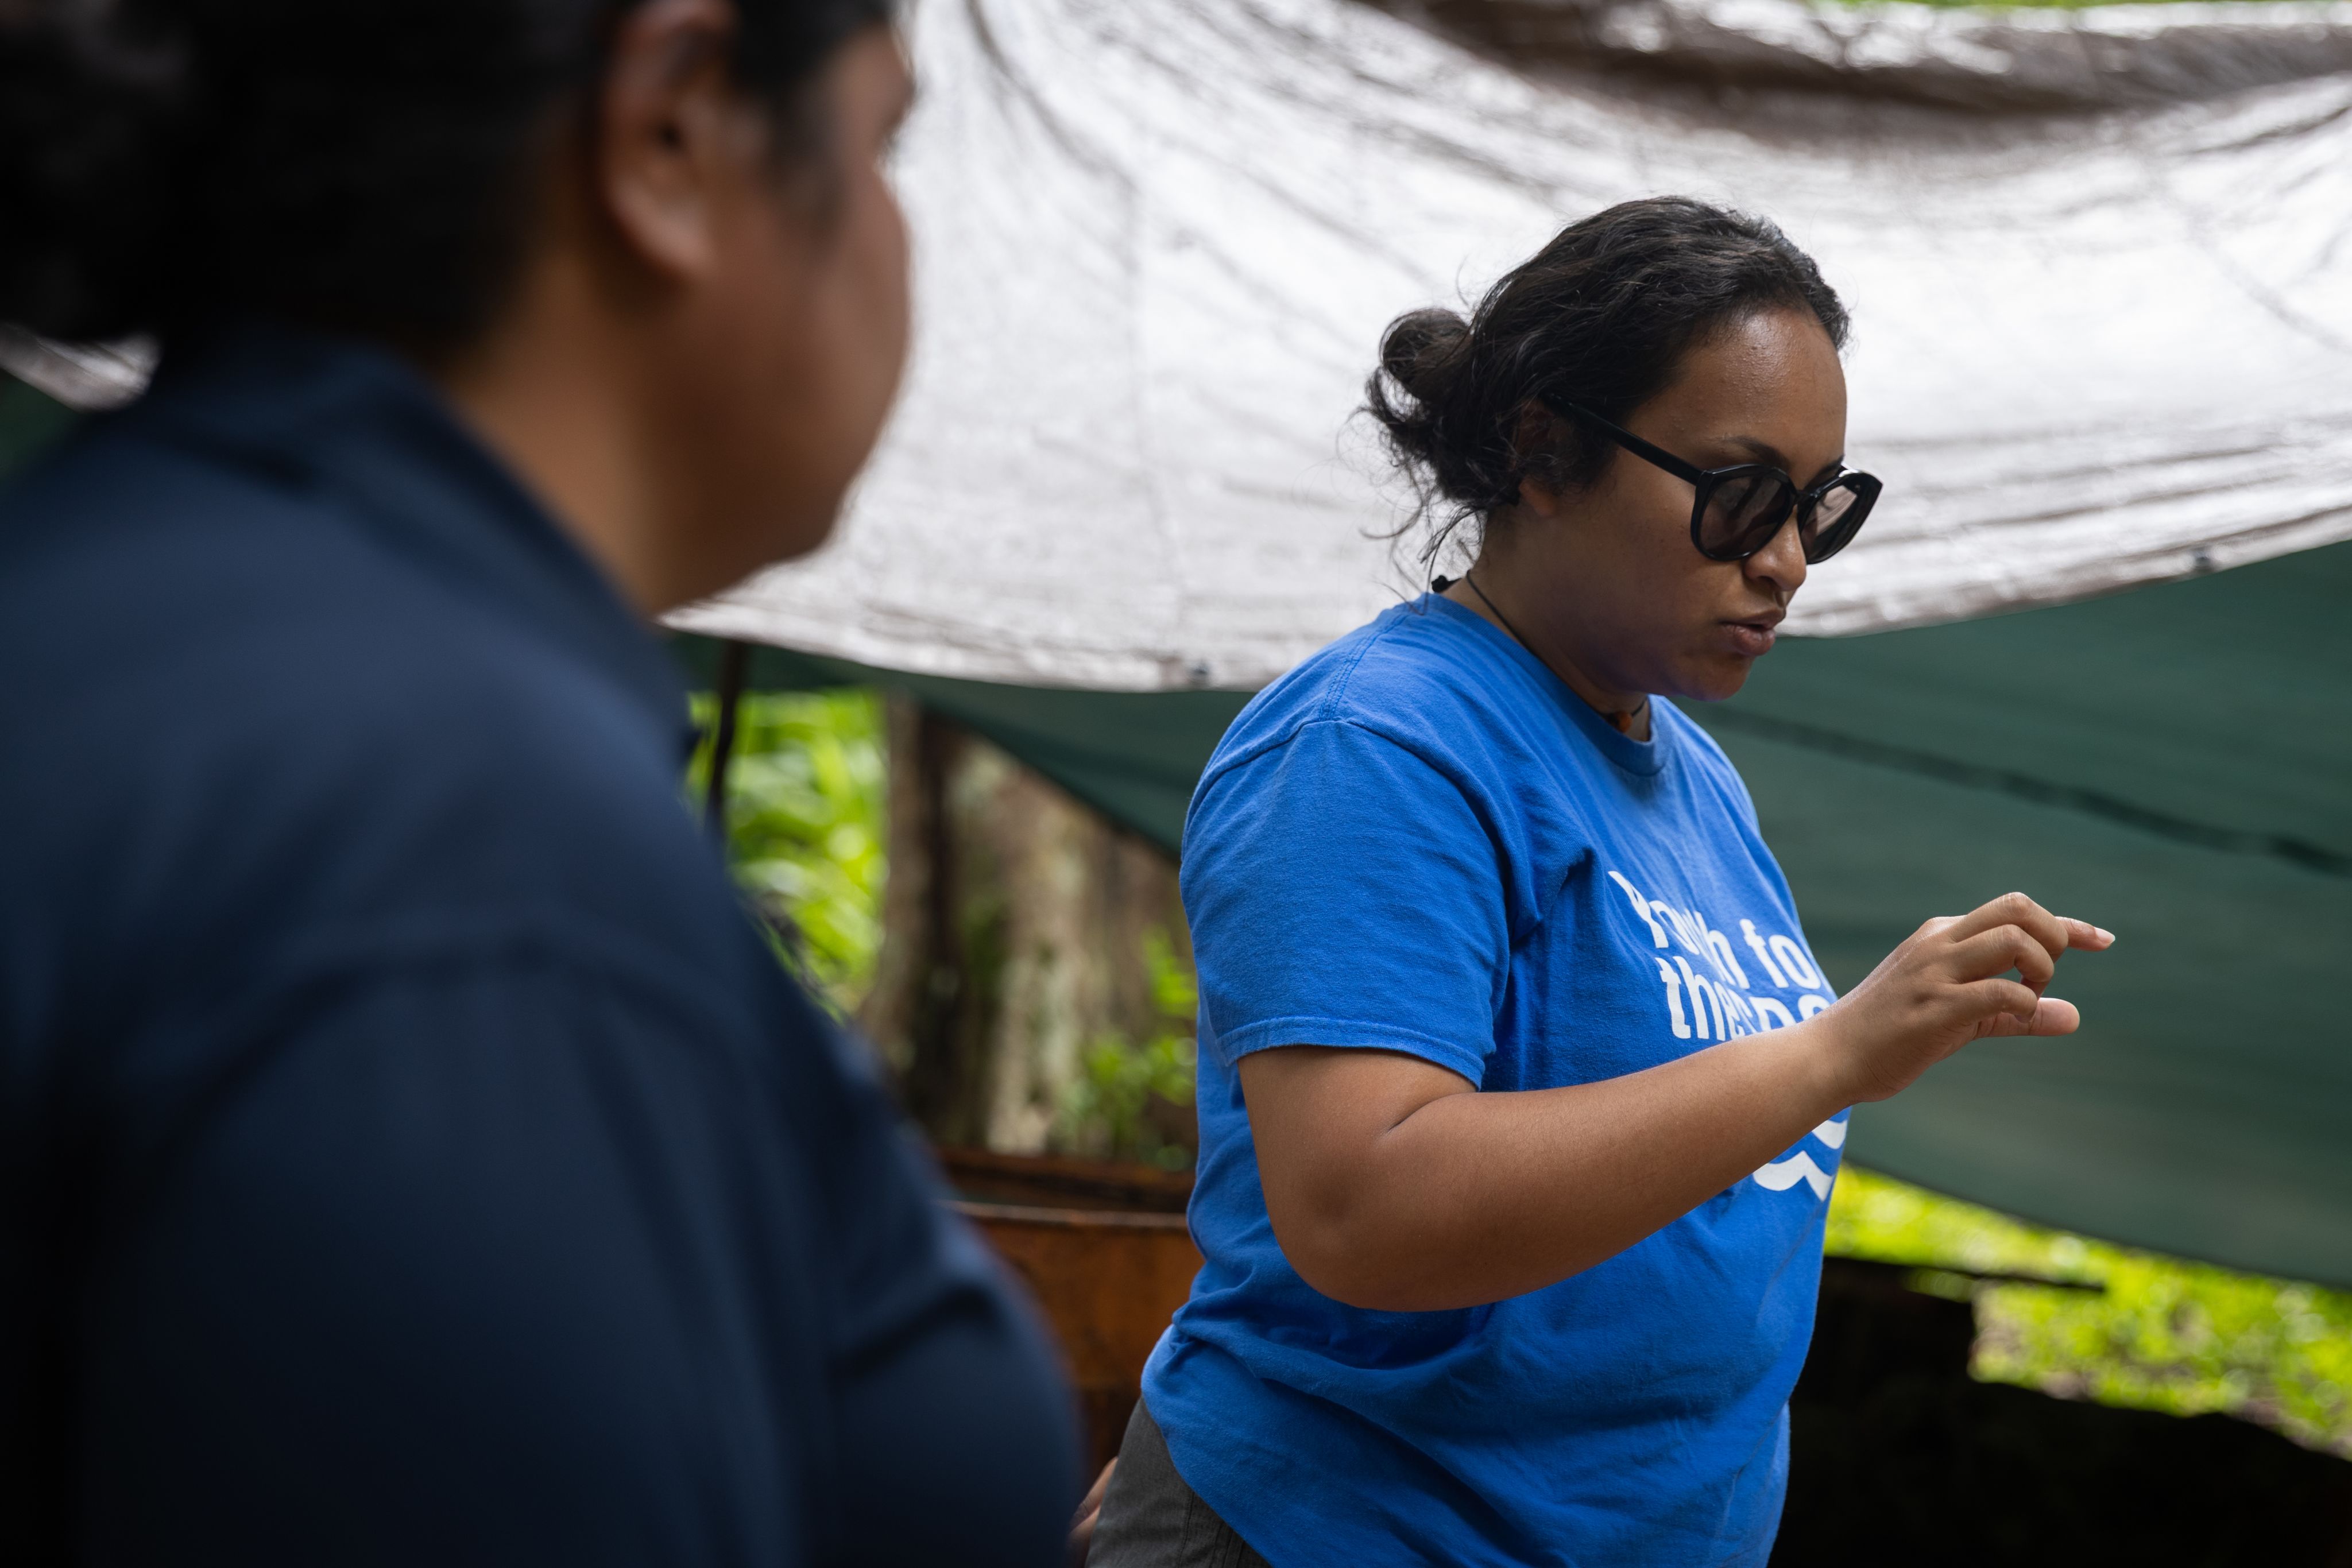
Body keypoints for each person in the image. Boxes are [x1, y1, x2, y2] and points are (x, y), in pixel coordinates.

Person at [0, 3, 1082, 1564]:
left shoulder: (131, 601)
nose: (905, 246)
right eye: (885, 140)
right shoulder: (461, 854)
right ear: (671, 131)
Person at [1085, 198, 2114, 1567]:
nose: (1785, 557)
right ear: (1543, 450)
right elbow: (1363, 1208)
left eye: (1818, 506)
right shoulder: (1380, 744)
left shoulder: (1690, 777)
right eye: (1739, 493)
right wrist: (1832, 1054)